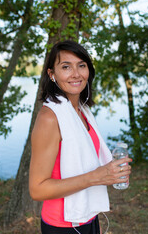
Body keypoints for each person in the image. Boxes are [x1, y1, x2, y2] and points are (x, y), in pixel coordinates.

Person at [29, 40, 132, 234]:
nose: (76, 74)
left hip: (86, 218)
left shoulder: (81, 110)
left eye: (81, 65)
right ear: (52, 74)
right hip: (63, 226)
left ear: (89, 71)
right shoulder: (50, 118)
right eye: (66, 67)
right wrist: (97, 176)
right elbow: (37, 189)